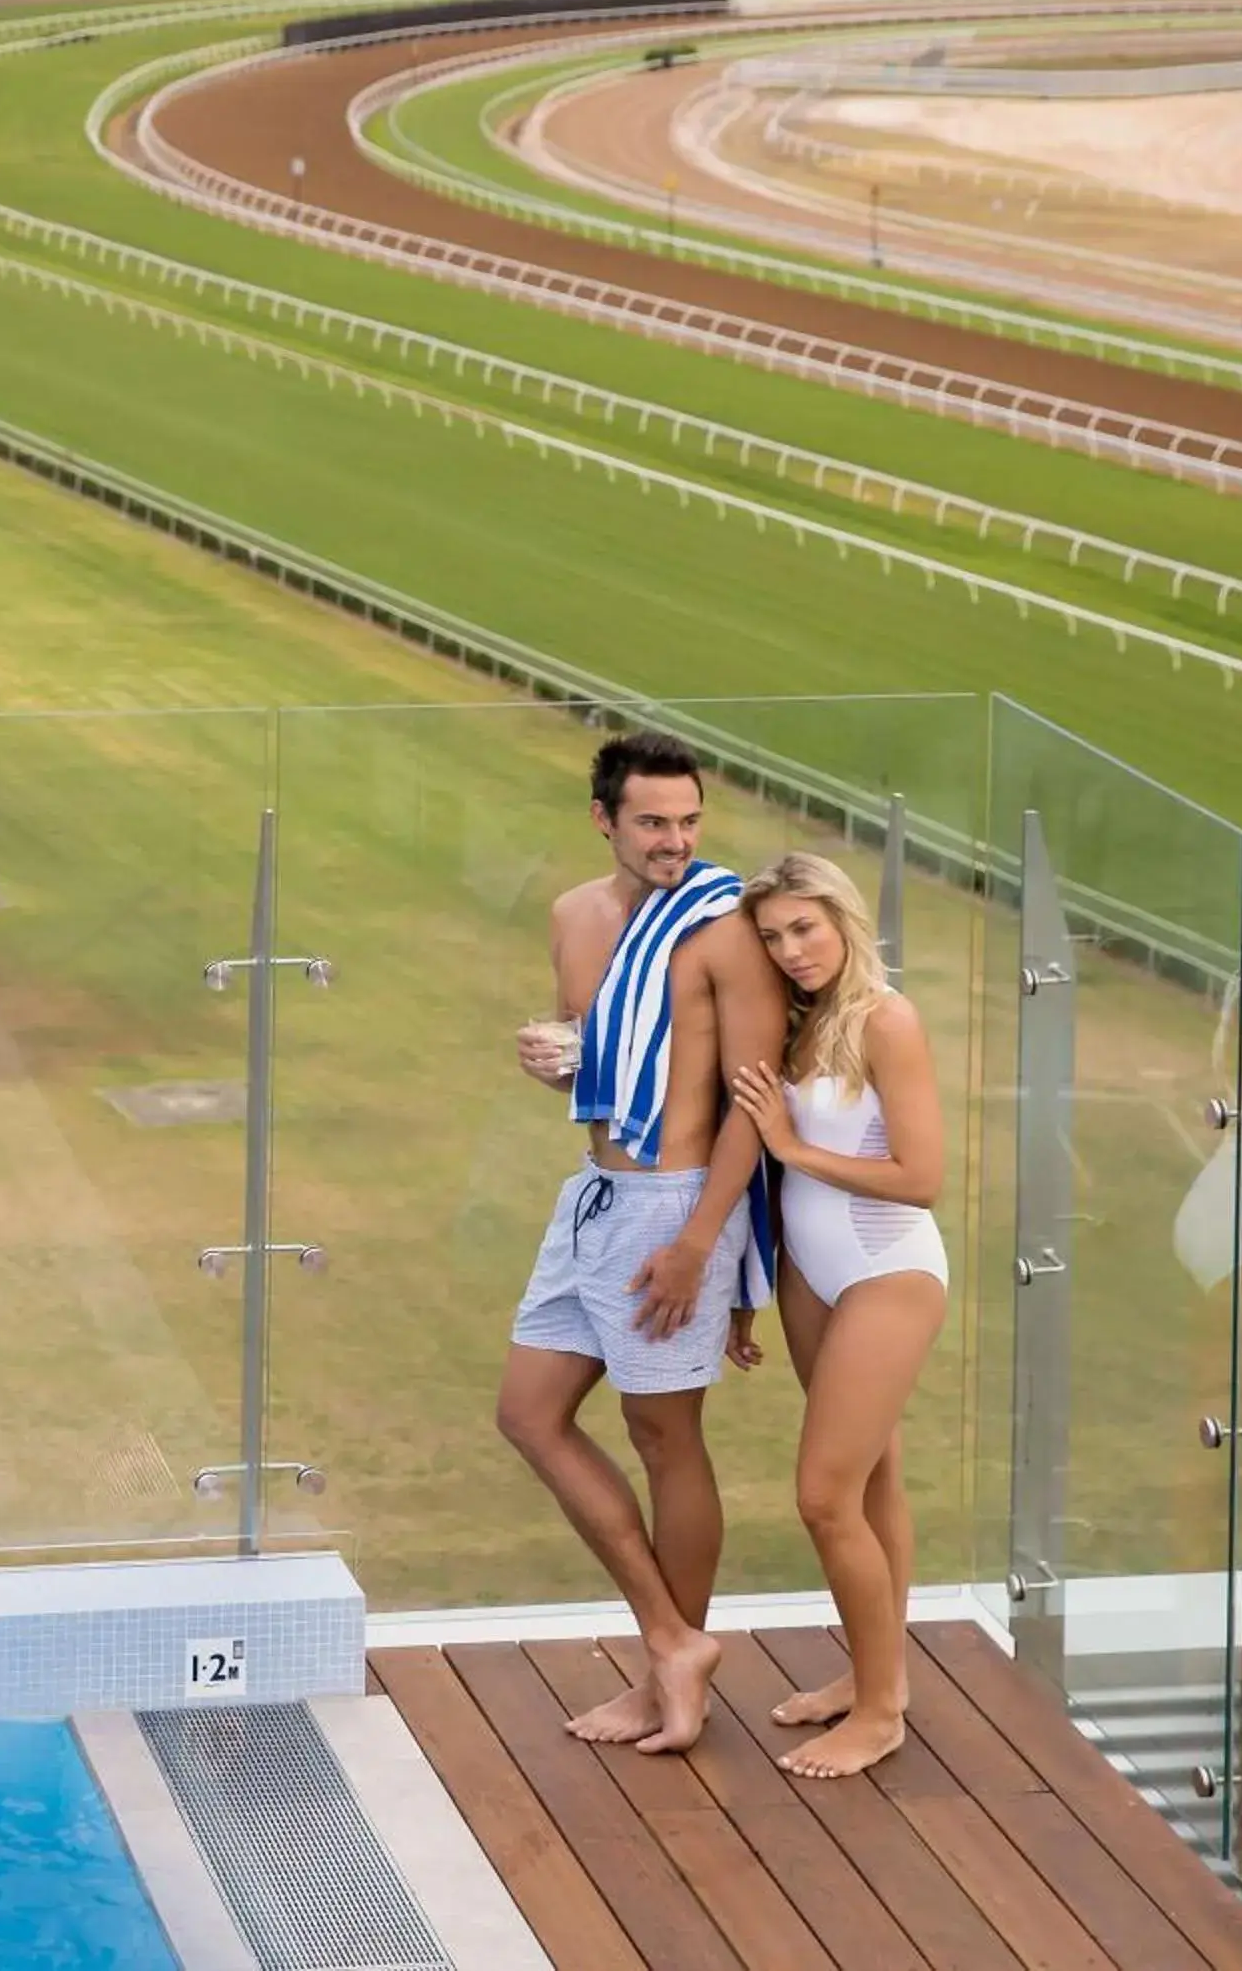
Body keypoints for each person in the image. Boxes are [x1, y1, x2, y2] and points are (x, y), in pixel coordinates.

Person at [503, 730, 788, 1755]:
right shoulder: (573, 916)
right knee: (529, 1415)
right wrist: (557, 1060)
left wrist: (701, 1245)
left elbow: (755, 1101)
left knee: (666, 1438)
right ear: (604, 820)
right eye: (653, 822)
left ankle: (669, 1664)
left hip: (676, 1205)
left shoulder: (723, 930)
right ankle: (674, 1643)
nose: (676, 841)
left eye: (689, 820)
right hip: (595, 1196)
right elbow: (602, 1053)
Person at [727, 852, 948, 1781]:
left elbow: (921, 1178)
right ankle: (871, 1675)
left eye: (804, 928)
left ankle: (882, 1712)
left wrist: (789, 1144)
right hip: (807, 1273)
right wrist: (749, 1289)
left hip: (886, 1272)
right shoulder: (797, 1023)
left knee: (823, 1497)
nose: (791, 950)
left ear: (843, 919)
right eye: (773, 937)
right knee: (869, 1481)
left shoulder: (886, 1021)